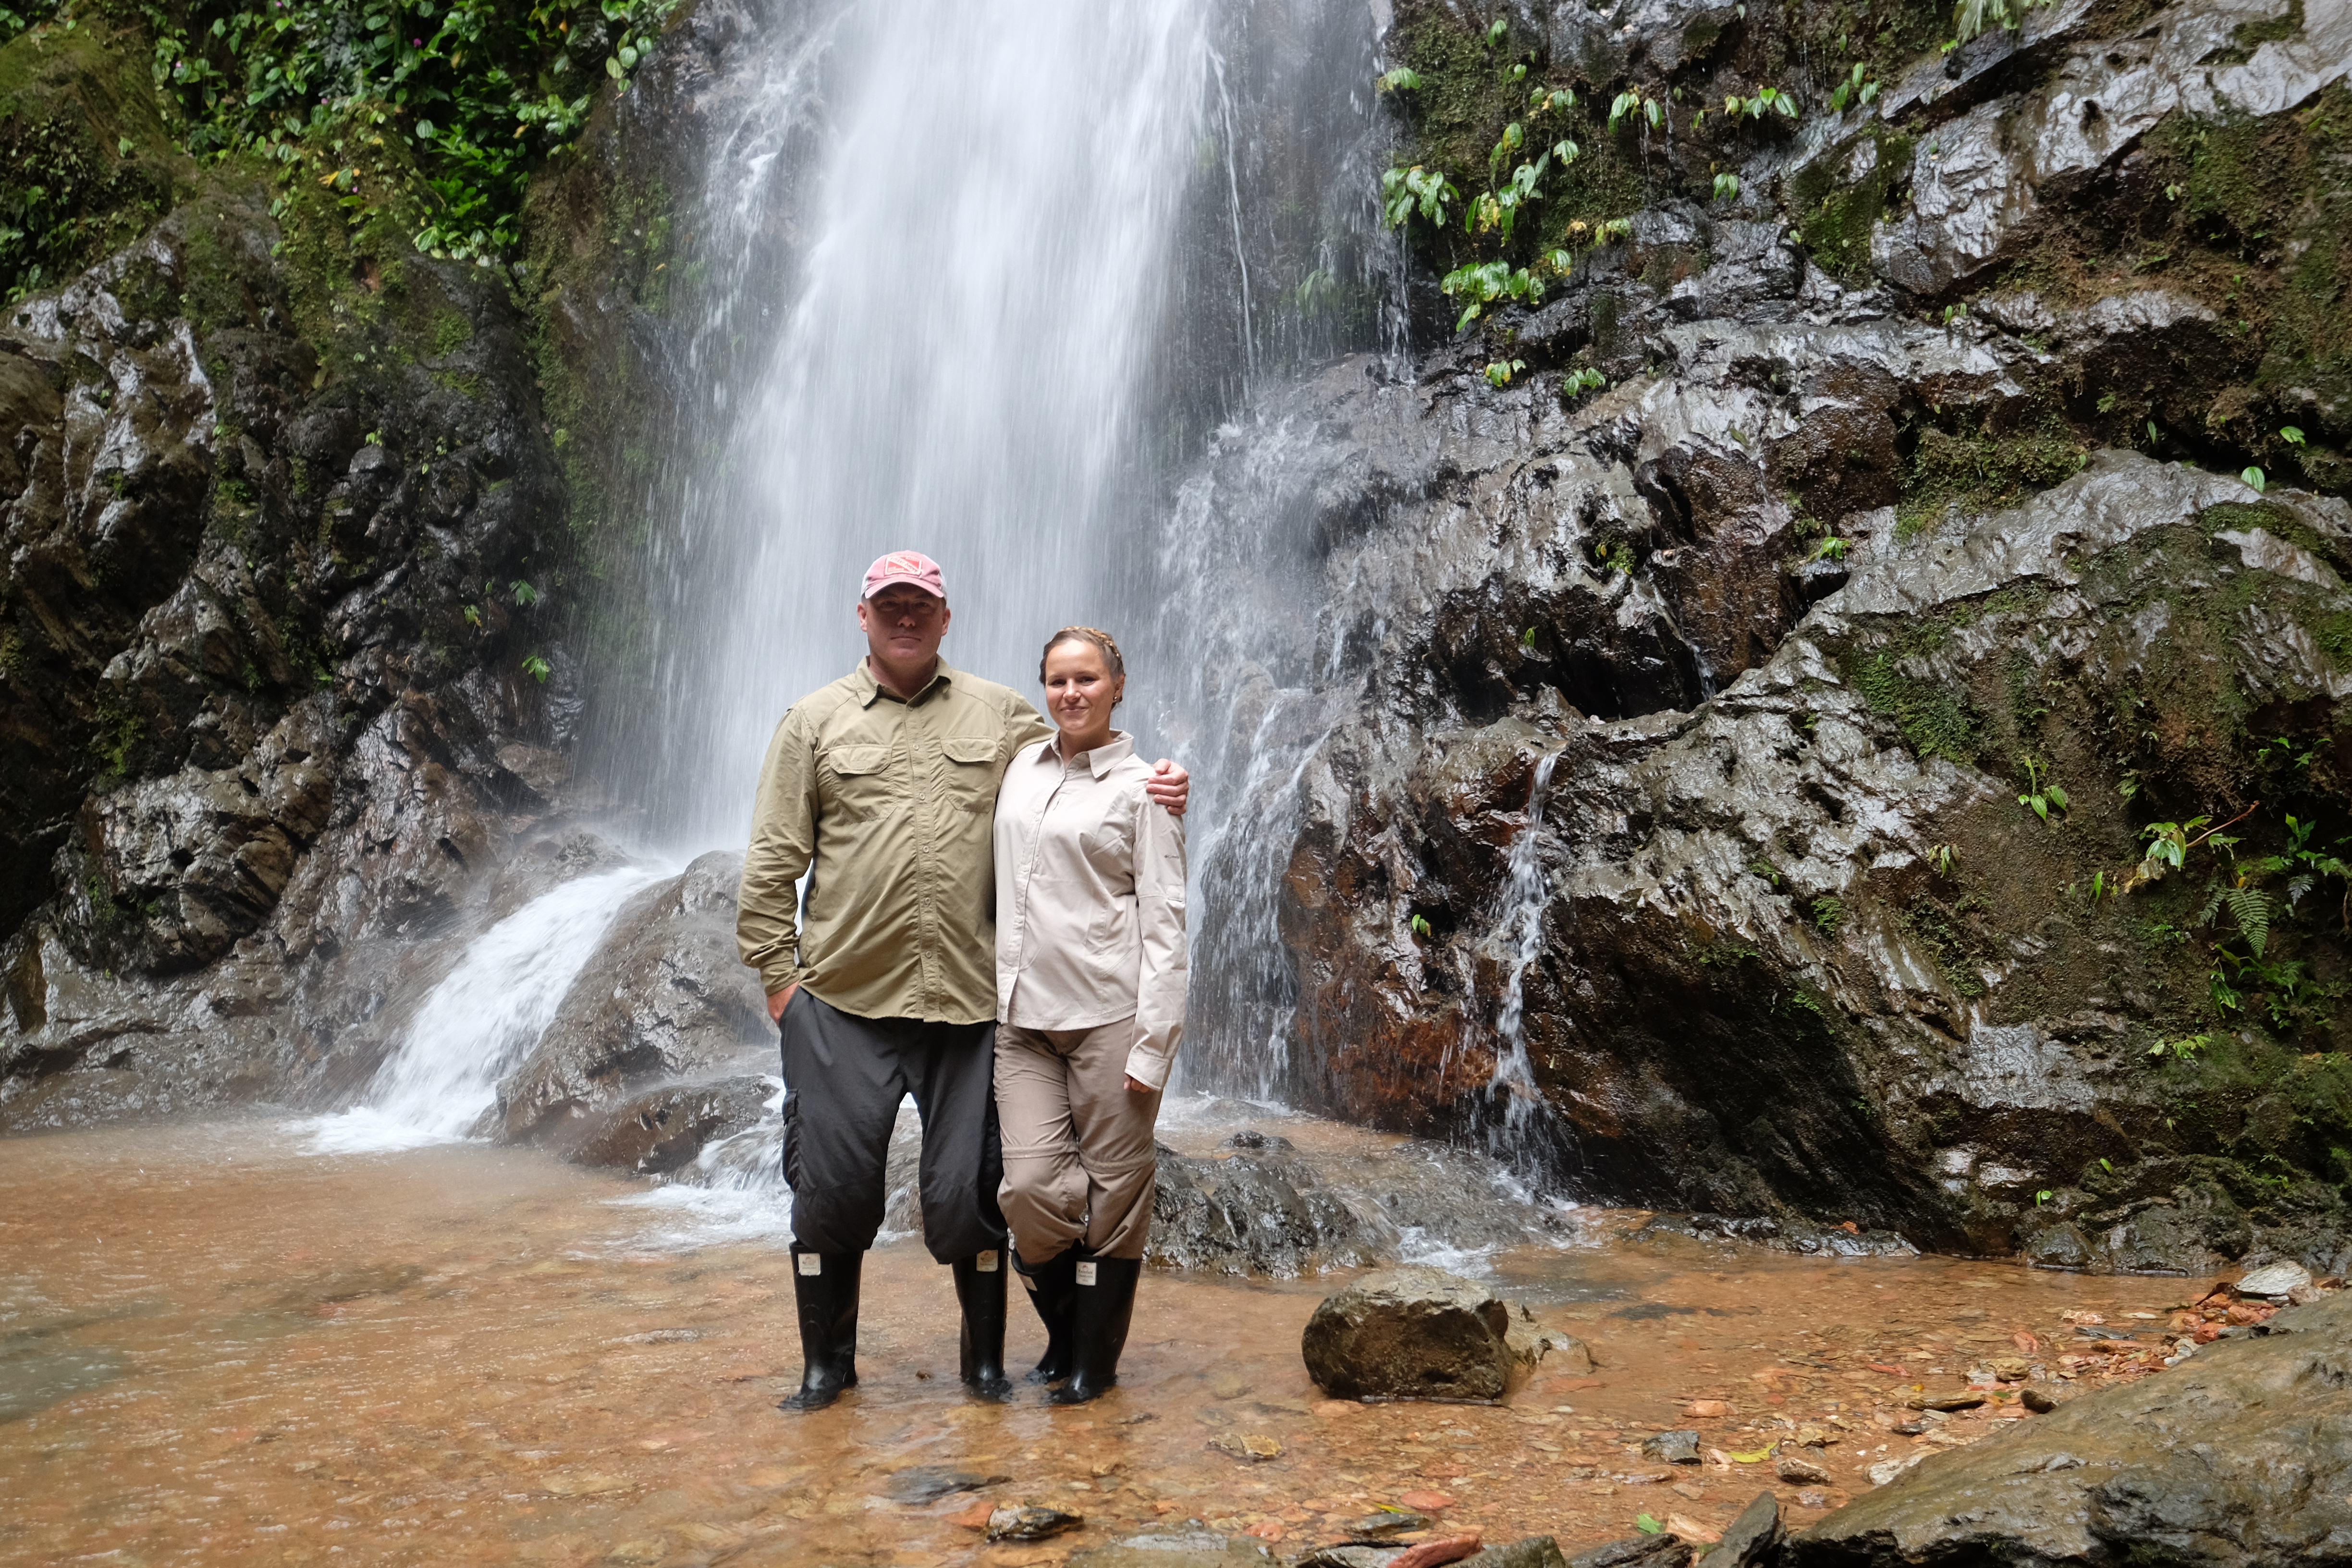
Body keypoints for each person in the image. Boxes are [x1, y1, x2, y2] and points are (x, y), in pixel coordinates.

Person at [737, 552, 1187, 1412]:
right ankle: (826, 1368)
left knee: (966, 1201)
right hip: (841, 1002)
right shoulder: (813, 722)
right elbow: (771, 864)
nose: (906, 617)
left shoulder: (1003, 716)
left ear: (947, 619)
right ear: (862, 617)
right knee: (829, 1193)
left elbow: (1080, 765)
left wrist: (1162, 781)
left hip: (969, 1007)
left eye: (923, 606)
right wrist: (782, 986)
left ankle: (984, 1367)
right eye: (890, 605)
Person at [992, 626, 1186, 1404]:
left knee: (1115, 1198)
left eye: (1086, 679)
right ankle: (1069, 1335)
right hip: (1022, 1018)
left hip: (1110, 1014)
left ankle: (1093, 1370)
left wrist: (1155, 1046)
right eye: (1056, 680)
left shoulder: (1148, 788)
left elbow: (1168, 923)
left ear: (1118, 684)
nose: (1071, 694)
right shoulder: (1019, 768)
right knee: (1031, 1190)